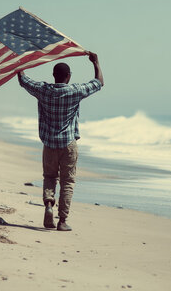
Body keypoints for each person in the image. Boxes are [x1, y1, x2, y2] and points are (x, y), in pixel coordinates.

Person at [17, 53, 104, 231]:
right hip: (68, 145)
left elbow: (23, 80)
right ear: (68, 76)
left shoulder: (43, 90)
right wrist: (95, 62)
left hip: (49, 144)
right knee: (68, 182)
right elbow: (99, 82)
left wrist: (20, 62)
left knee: (49, 177)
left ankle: (49, 203)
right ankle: (62, 220)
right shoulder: (75, 91)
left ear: (53, 75)